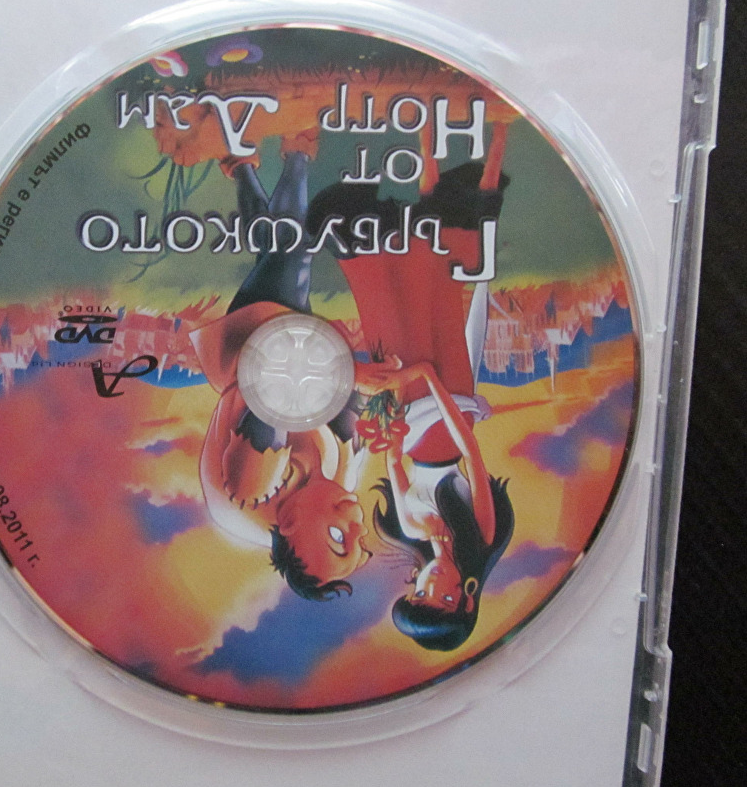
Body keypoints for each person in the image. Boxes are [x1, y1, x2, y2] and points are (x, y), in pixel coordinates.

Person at [308, 124, 516, 648]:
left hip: (406, 412)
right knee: (436, 300)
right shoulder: (482, 535)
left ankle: (368, 217)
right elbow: (471, 452)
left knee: (386, 317)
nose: (429, 586)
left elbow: (393, 461)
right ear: (466, 599)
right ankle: (445, 179)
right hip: (447, 412)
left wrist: (383, 410)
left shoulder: (412, 527)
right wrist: (426, 377)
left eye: (418, 594)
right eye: (441, 599)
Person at [190, 148, 397, 600]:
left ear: (287, 524)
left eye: (339, 539)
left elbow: (269, 383)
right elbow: (350, 409)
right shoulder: (336, 481)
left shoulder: (251, 488)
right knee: (275, 253)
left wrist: (349, 374)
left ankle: (298, 149)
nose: (358, 524)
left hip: (249, 345)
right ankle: (241, 167)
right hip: (298, 343)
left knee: (291, 250)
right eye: (361, 541)